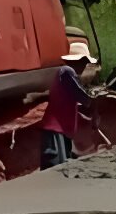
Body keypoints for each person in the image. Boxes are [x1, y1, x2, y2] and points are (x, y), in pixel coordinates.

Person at [40, 42, 99, 170]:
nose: (85, 66)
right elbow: (84, 98)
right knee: (55, 169)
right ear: (79, 61)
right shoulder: (66, 72)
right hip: (56, 130)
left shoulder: (68, 74)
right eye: (85, 62)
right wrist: (93, 93)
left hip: (62, 130)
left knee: (62, 166)